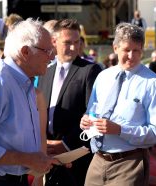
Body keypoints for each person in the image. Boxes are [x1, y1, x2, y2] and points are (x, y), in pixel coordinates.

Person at [0, 18, 60, 186]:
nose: (52, 56)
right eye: (47, 50)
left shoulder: (23, 83)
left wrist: (42, 160)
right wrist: (28, 159)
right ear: (25, 52)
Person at [80, 22, 156, 185]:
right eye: (127, 50)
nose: (131, 56)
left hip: (130, 163)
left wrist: (120, 130)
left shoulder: (153, 83)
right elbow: (92, 110)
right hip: (98, 160)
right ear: (115, 48)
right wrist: (86, 120)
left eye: (136, 50)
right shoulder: (103, 76)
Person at [37, 18, 102, 186]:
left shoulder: (89, 70)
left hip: (76, 157)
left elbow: (93, 114)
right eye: (67, 42)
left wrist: (66, 144)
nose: (73, 47)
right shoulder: (45, 70)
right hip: (47, 153)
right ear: (54, 42)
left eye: (76, 42)